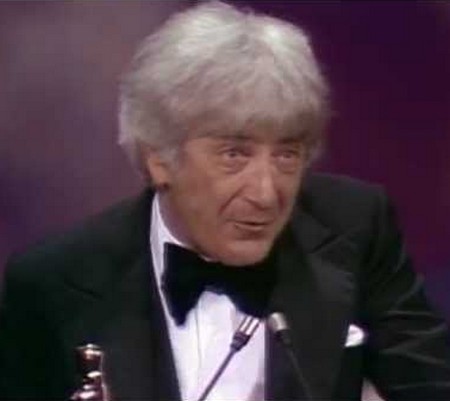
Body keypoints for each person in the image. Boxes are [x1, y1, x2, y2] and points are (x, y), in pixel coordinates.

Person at [1, 1, 449, 400]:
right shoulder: (53, 284)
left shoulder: (356, 227)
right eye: (234, 154)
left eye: (287, 155)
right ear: (159, 157)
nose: (266, 193)